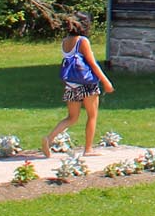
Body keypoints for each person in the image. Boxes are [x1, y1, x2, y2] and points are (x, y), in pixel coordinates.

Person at [44, 13, 113, 157]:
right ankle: (88, 149)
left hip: (71, 84)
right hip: (87, 84)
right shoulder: (82, 41)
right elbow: (92, 63)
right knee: (92, 115)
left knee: (71, 118)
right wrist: (106, 81)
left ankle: (48, 138)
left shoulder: (65, 42)